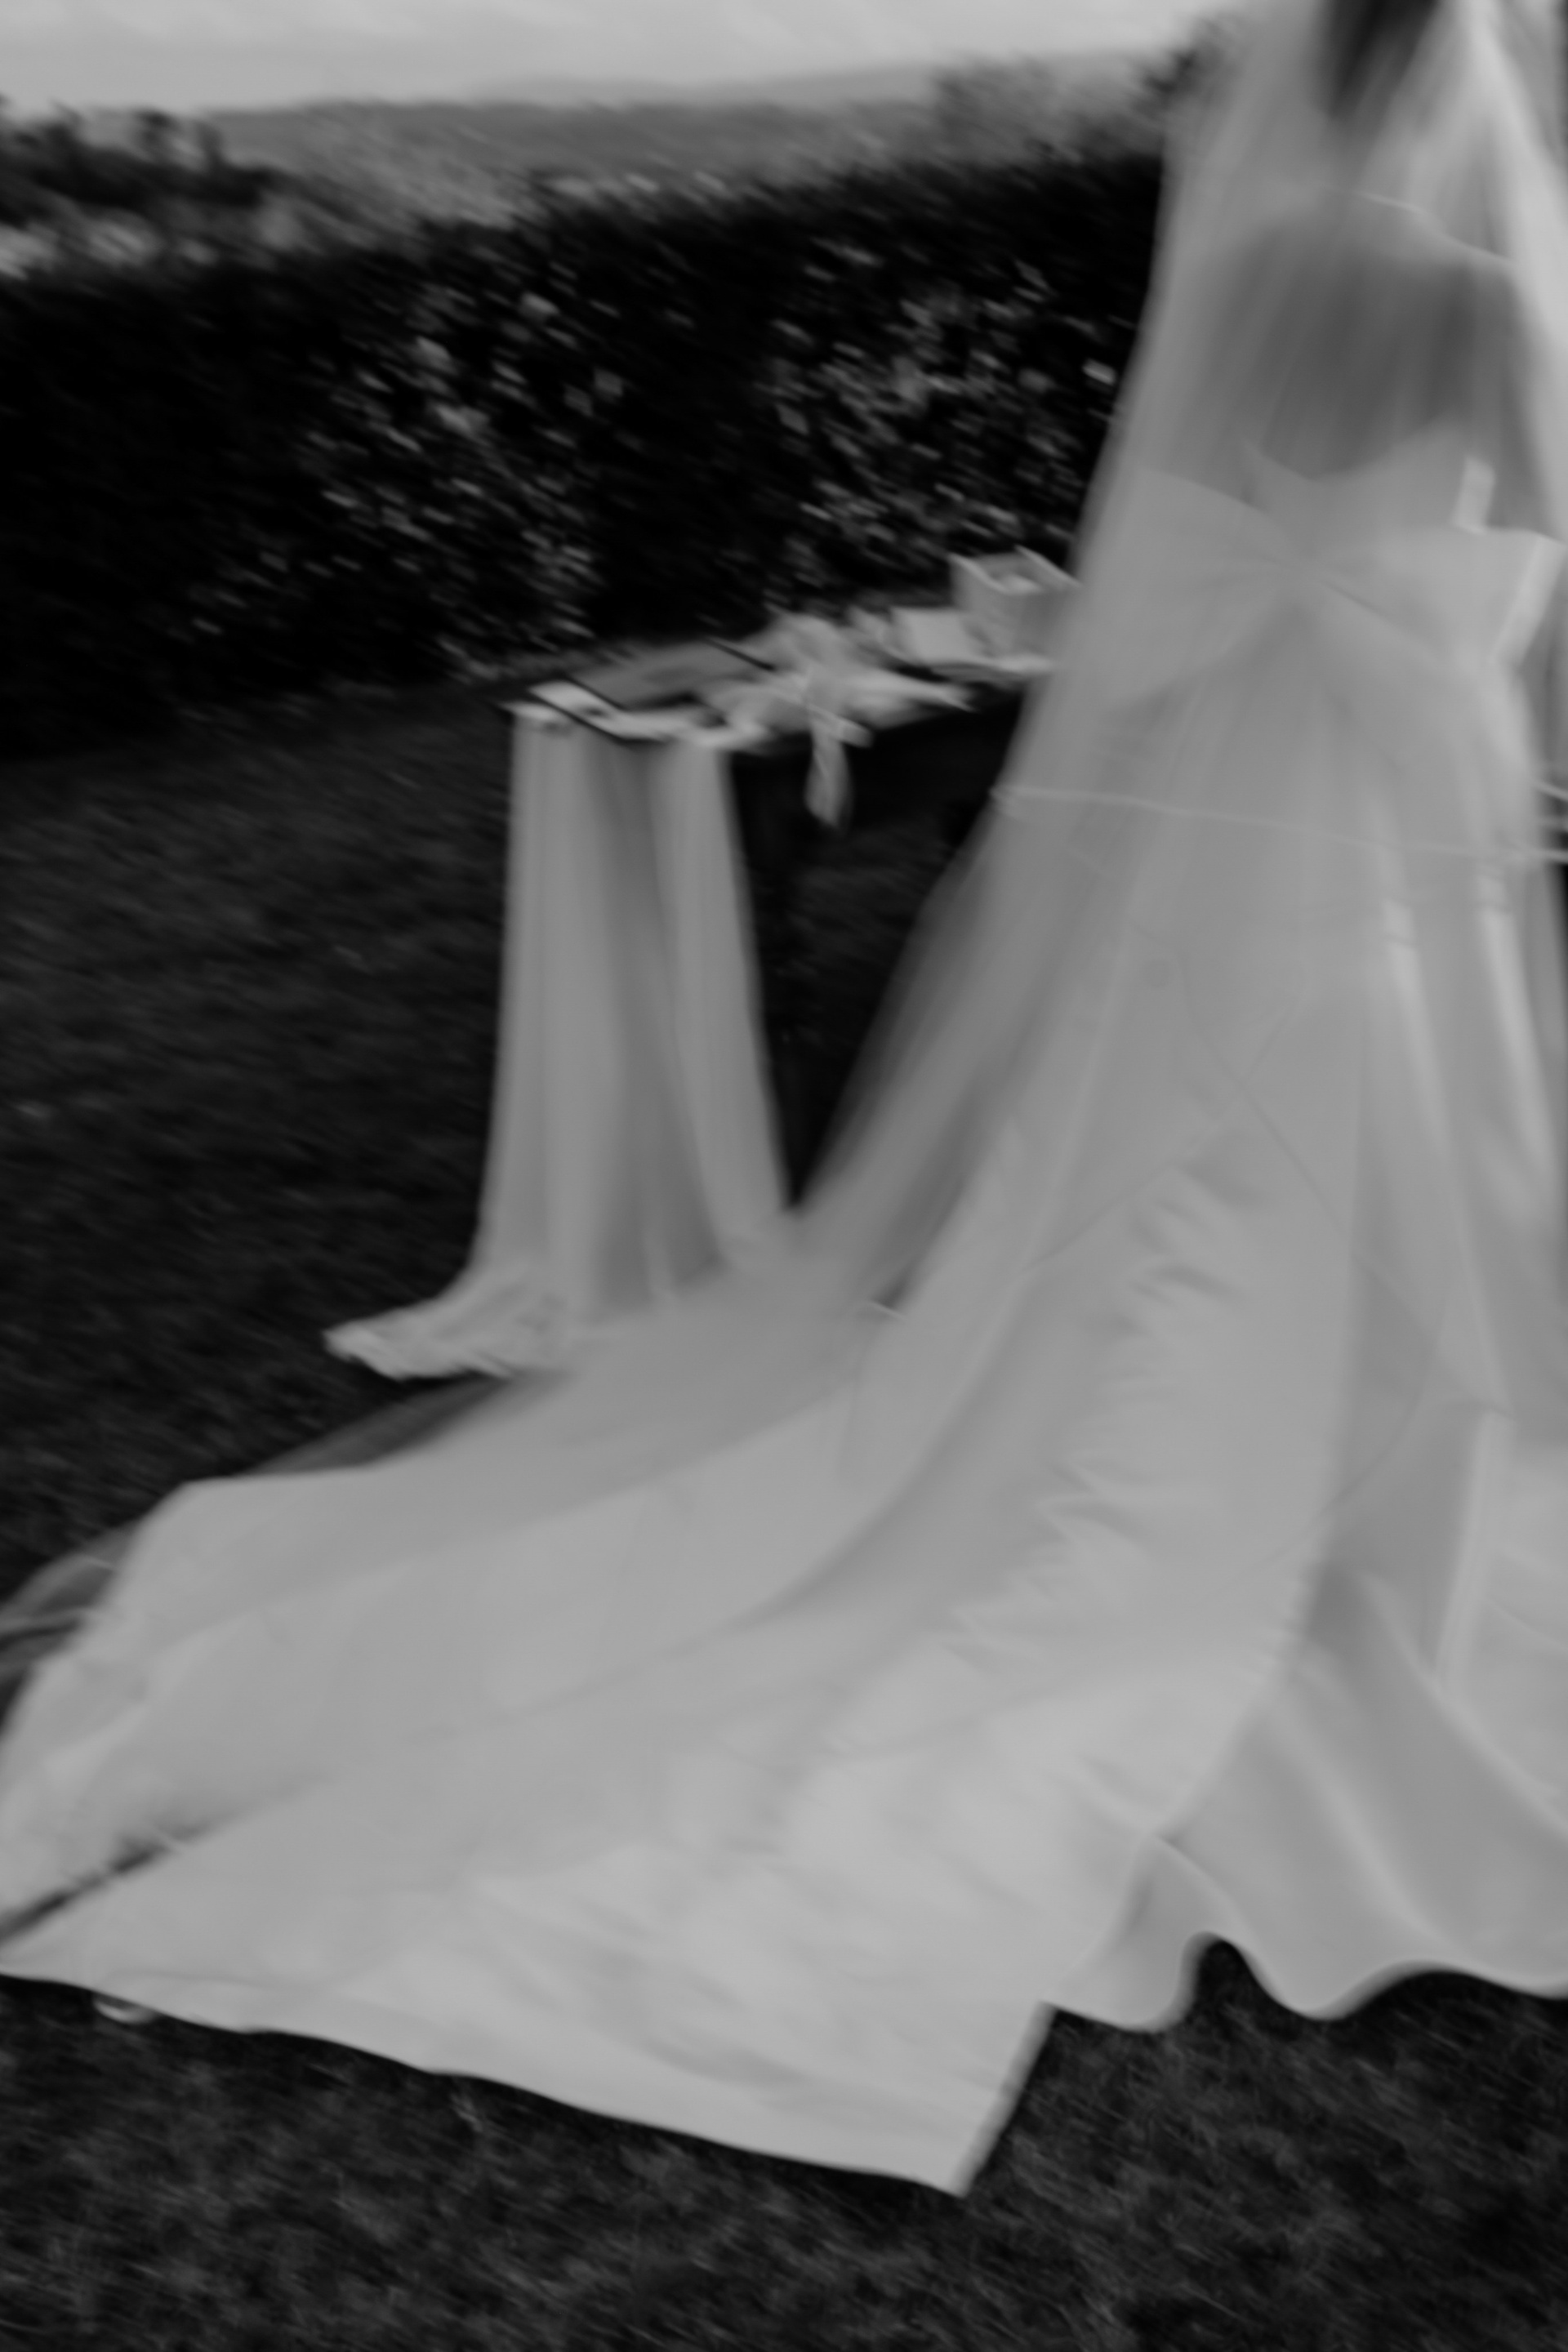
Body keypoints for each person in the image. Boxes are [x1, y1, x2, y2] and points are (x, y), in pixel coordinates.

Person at [3, 0, 1568, 2200]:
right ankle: (1341, 1473)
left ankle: (1159, 1427)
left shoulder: (1259, 252)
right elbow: (1532, 568)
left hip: (1232, 787)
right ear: (1476, 75)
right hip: (1378, 792)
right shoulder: (1487, 292)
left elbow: (1181, 544)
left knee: (1163, 1153)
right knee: (1359, 1131)